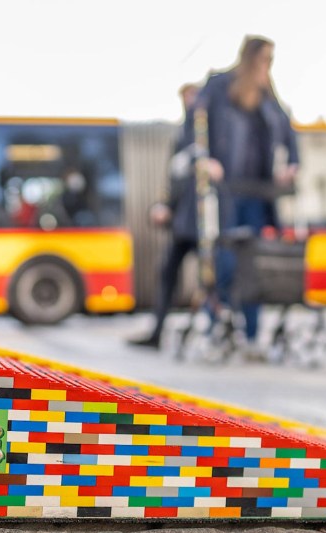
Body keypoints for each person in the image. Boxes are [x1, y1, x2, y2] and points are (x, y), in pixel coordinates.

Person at [190, 35, 300, 357]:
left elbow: (286, 130)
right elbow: (195, 124)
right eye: (263, 59)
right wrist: (205, 158)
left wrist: (292, 164)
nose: (266, 67)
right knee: (223, 259)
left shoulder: (268, 92)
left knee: (254, 262)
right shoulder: (219, 85)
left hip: (258, 191)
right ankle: (217, 325)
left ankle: (252, 334)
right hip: (227, 190)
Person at [127, 83, 204, 349]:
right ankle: (158, 331)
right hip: (182, 223)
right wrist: (165, 205)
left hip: (206, 223)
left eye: (192, 96)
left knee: (213, 279)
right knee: (168, 272)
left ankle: (217, 331)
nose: (188, 102)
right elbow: (174, 181)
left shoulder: (209, 131)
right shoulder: (181, 136)